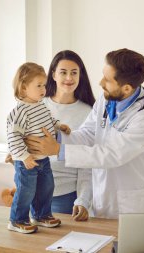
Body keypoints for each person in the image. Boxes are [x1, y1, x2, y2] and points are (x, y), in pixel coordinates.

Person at [25, 48, 144, 219]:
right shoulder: (107, 99)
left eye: (107, 79)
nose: (100, 82)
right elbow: (88, 134)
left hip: (133, 206)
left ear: (127, 88)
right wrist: (56, 137)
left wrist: (59, 150)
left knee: (129, 245)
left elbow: (111, 155)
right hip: (102, 199)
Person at [6, 62, 70, 234]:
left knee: (46, 187)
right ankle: (17, 220)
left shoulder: (41, 105)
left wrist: (59, 126)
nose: (44, 89)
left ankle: (41, 215)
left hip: (44, 159)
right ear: (24, 87)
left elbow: (48, 122)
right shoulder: (20, 112)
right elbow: (13, 136)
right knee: (26, 191)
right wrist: (24, 157)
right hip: (27, 162)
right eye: (39, 85)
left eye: (44, 85)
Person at [43, 50, 95, 221]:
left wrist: (83, 200)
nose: (69, 78)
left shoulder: (88, 113)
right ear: (53, 75)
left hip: (65, 197)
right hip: (33, 191)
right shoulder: (37, 105)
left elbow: (87, 165)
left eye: (74, 73)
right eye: (63, 72)